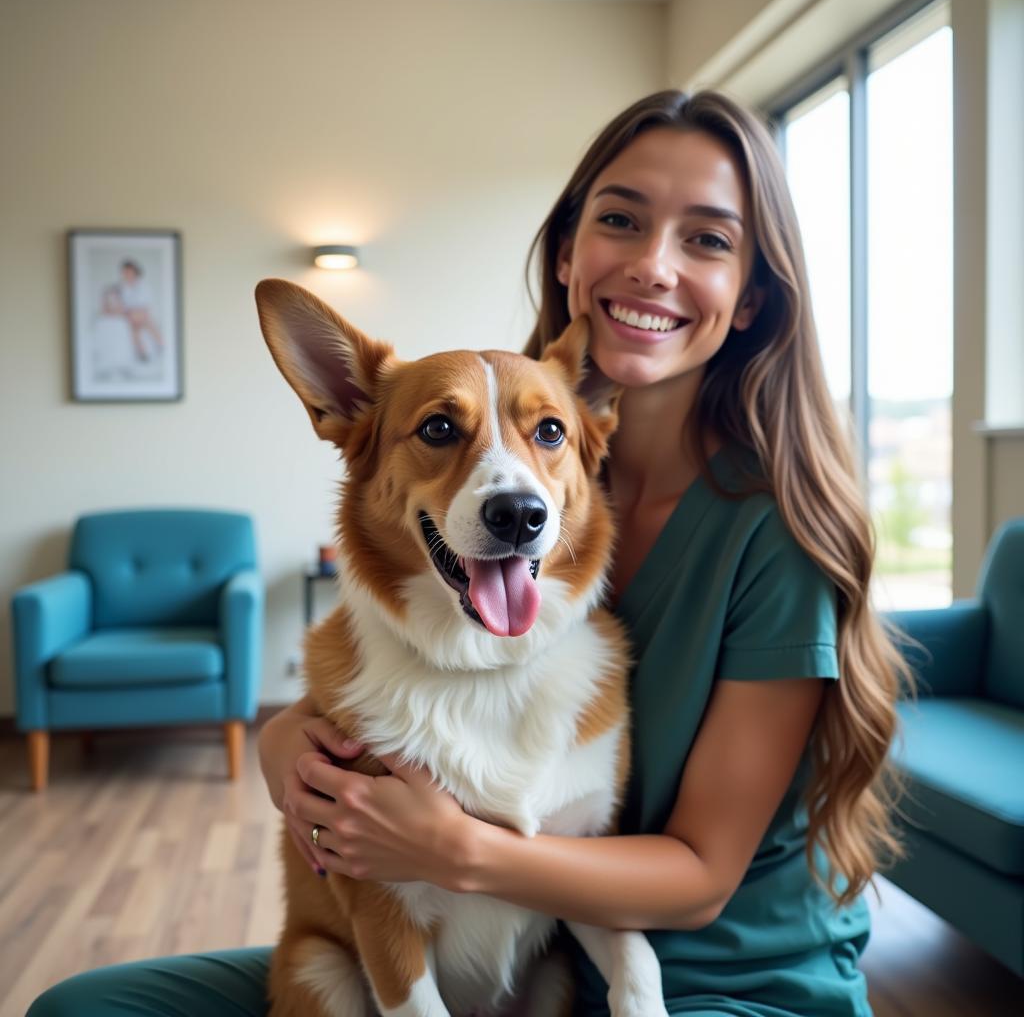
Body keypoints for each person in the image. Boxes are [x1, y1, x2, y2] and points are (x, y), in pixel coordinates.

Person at [29, 88, 909, 1017]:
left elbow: (698, 878)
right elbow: (382, 680)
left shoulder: (775, 528)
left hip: (718, 978)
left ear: (749, 298)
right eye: (621, 219)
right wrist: (290, 743)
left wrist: (450, 849)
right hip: (507, 937)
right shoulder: (529, 421)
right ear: (568, 254)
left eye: (708, 239)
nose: (654, 265)